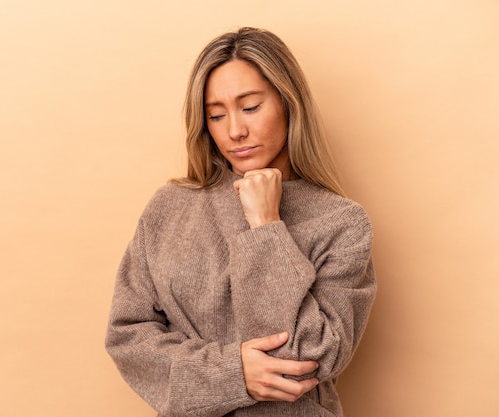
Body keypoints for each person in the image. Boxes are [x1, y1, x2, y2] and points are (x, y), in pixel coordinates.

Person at [105, 27, 376, 417]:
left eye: (250, 107)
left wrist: (265, 226)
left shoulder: (342, 223)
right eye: (216, 115)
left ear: (288, 103)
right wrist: (230, 373)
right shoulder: (170, 207)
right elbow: (127, 337)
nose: (234, 131)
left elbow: (304, 358)